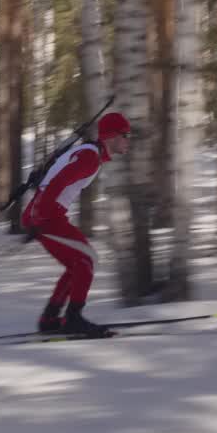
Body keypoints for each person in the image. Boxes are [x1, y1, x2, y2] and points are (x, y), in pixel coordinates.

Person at [22, 111, 132, 337]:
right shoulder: (90, 158)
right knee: (86, 260)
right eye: (125, 134)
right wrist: (39, 217)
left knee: (79, 263)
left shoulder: (89, 154)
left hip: (47, 214)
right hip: (45, 216)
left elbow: (53, 176)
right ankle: (73, 318)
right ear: (111, 136)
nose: (128, 140)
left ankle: (50, 318)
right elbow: (56, 182)